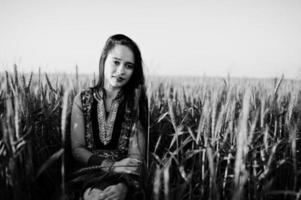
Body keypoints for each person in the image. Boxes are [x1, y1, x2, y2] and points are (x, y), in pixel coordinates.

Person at [69, 34, 148, 200]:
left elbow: (136, 159)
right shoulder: (81, 100)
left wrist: (124, 187)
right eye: (116, 62)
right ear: (104, 59)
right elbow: (77, 149)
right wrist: (109, 166)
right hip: (88, 173)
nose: (120, 71)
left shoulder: (135, 103)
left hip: (124, 179)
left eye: (128, 66)